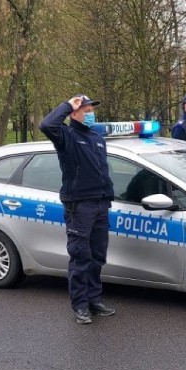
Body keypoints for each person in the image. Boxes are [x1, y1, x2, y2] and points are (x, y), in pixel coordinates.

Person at [40, 94, 116, 325]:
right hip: (80, 206)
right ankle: (80, 305)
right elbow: (46, 124)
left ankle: (94, 300)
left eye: (92, 109)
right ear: (74, 113)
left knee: (97, 257)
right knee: (81, 257)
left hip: (101, 204)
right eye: (86, 110)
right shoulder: (67, 136)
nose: (91, 113)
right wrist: (67, 105)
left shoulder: (96, 138)